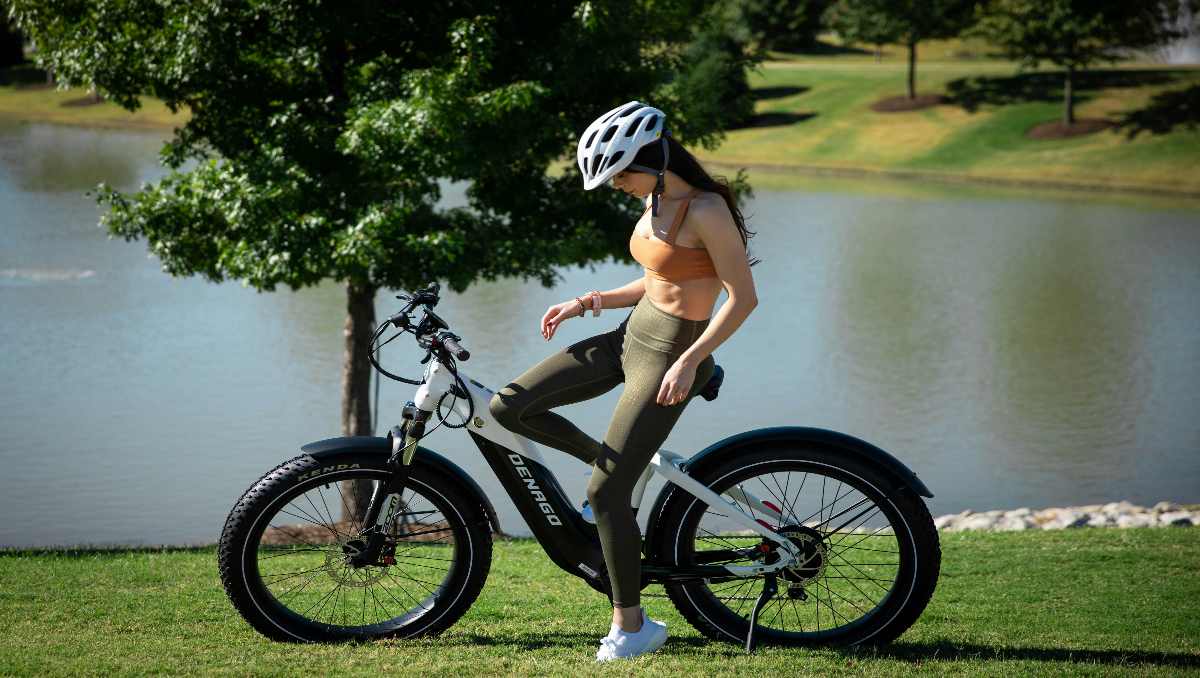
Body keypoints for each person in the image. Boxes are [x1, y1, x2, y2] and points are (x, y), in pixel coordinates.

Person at [488, 101, 760, 662]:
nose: (615, 184)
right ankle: (618, 464)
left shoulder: (707, 210)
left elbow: (743, 298)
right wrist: (588, 302)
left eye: (621, 172)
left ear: (655, 160)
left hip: (673, 354)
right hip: (630, 336)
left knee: (604, 493)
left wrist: (692, 360)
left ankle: (632, 627)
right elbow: (656, 278)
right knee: (507, 407)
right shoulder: (656, 198)